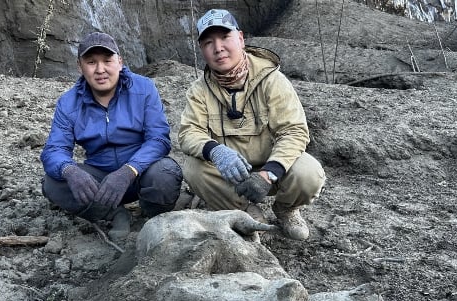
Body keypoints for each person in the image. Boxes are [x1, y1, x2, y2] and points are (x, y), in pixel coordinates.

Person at [178, 9, 326, 240]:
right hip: (229, 174)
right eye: (208, 42)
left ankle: (286, 209)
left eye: (225, 38)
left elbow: (294, 132)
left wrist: (269, 174)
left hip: (273, 168)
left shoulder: (272, 80)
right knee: (193, 169)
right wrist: (216, 152)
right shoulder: (198, 90)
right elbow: (189, 133)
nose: (218, 48)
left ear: (240, 38)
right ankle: (243, 211)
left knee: (309, 173)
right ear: (202, 50)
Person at [41, 32, 183, 239]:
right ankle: (114, 213)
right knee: (52, 183)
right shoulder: (68, 102)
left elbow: (159, 139)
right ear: (80, 66)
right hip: (100, 180)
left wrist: (129, 170)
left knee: (165, 173)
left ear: (119, 62)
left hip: (140, 173)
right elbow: (54, 150)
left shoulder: (144, 88)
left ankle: (152, 217)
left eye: (107, 61)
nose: (100, 70)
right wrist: (70, 170)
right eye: (91, 62)